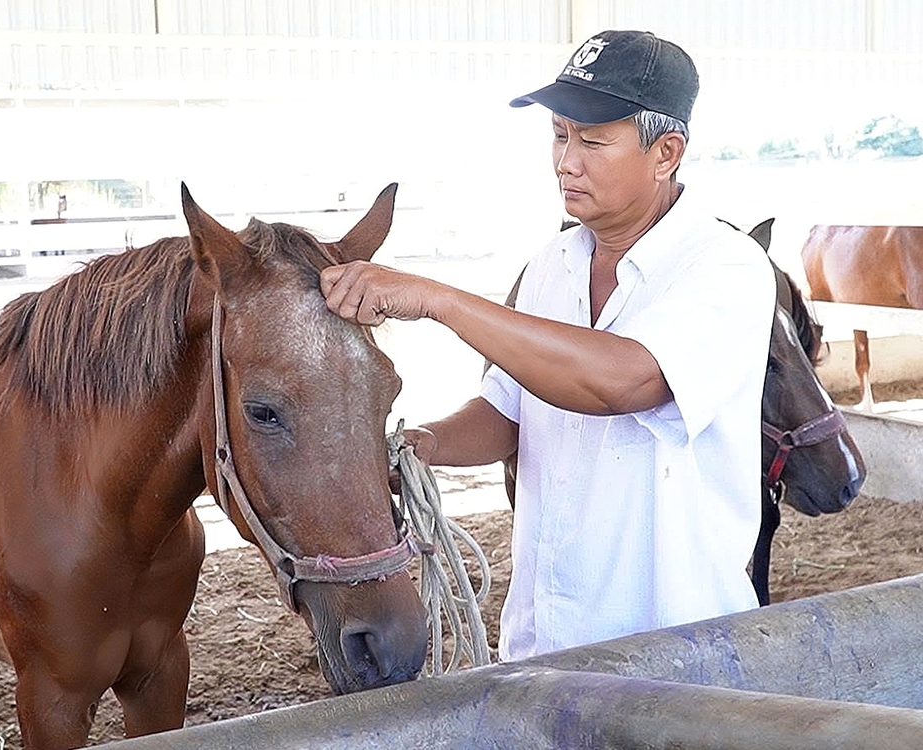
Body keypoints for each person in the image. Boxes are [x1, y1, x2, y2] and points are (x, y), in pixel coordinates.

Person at [319, 30, 775, 660]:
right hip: (545, 641)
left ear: (666, 152)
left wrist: (439, 299)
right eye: (559, 135)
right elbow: (508, 412)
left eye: (592, 141)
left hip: (673, 647)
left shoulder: (724, 266)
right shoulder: (549, 267)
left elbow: (621, 382)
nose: (567, 160)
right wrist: (425, 445)